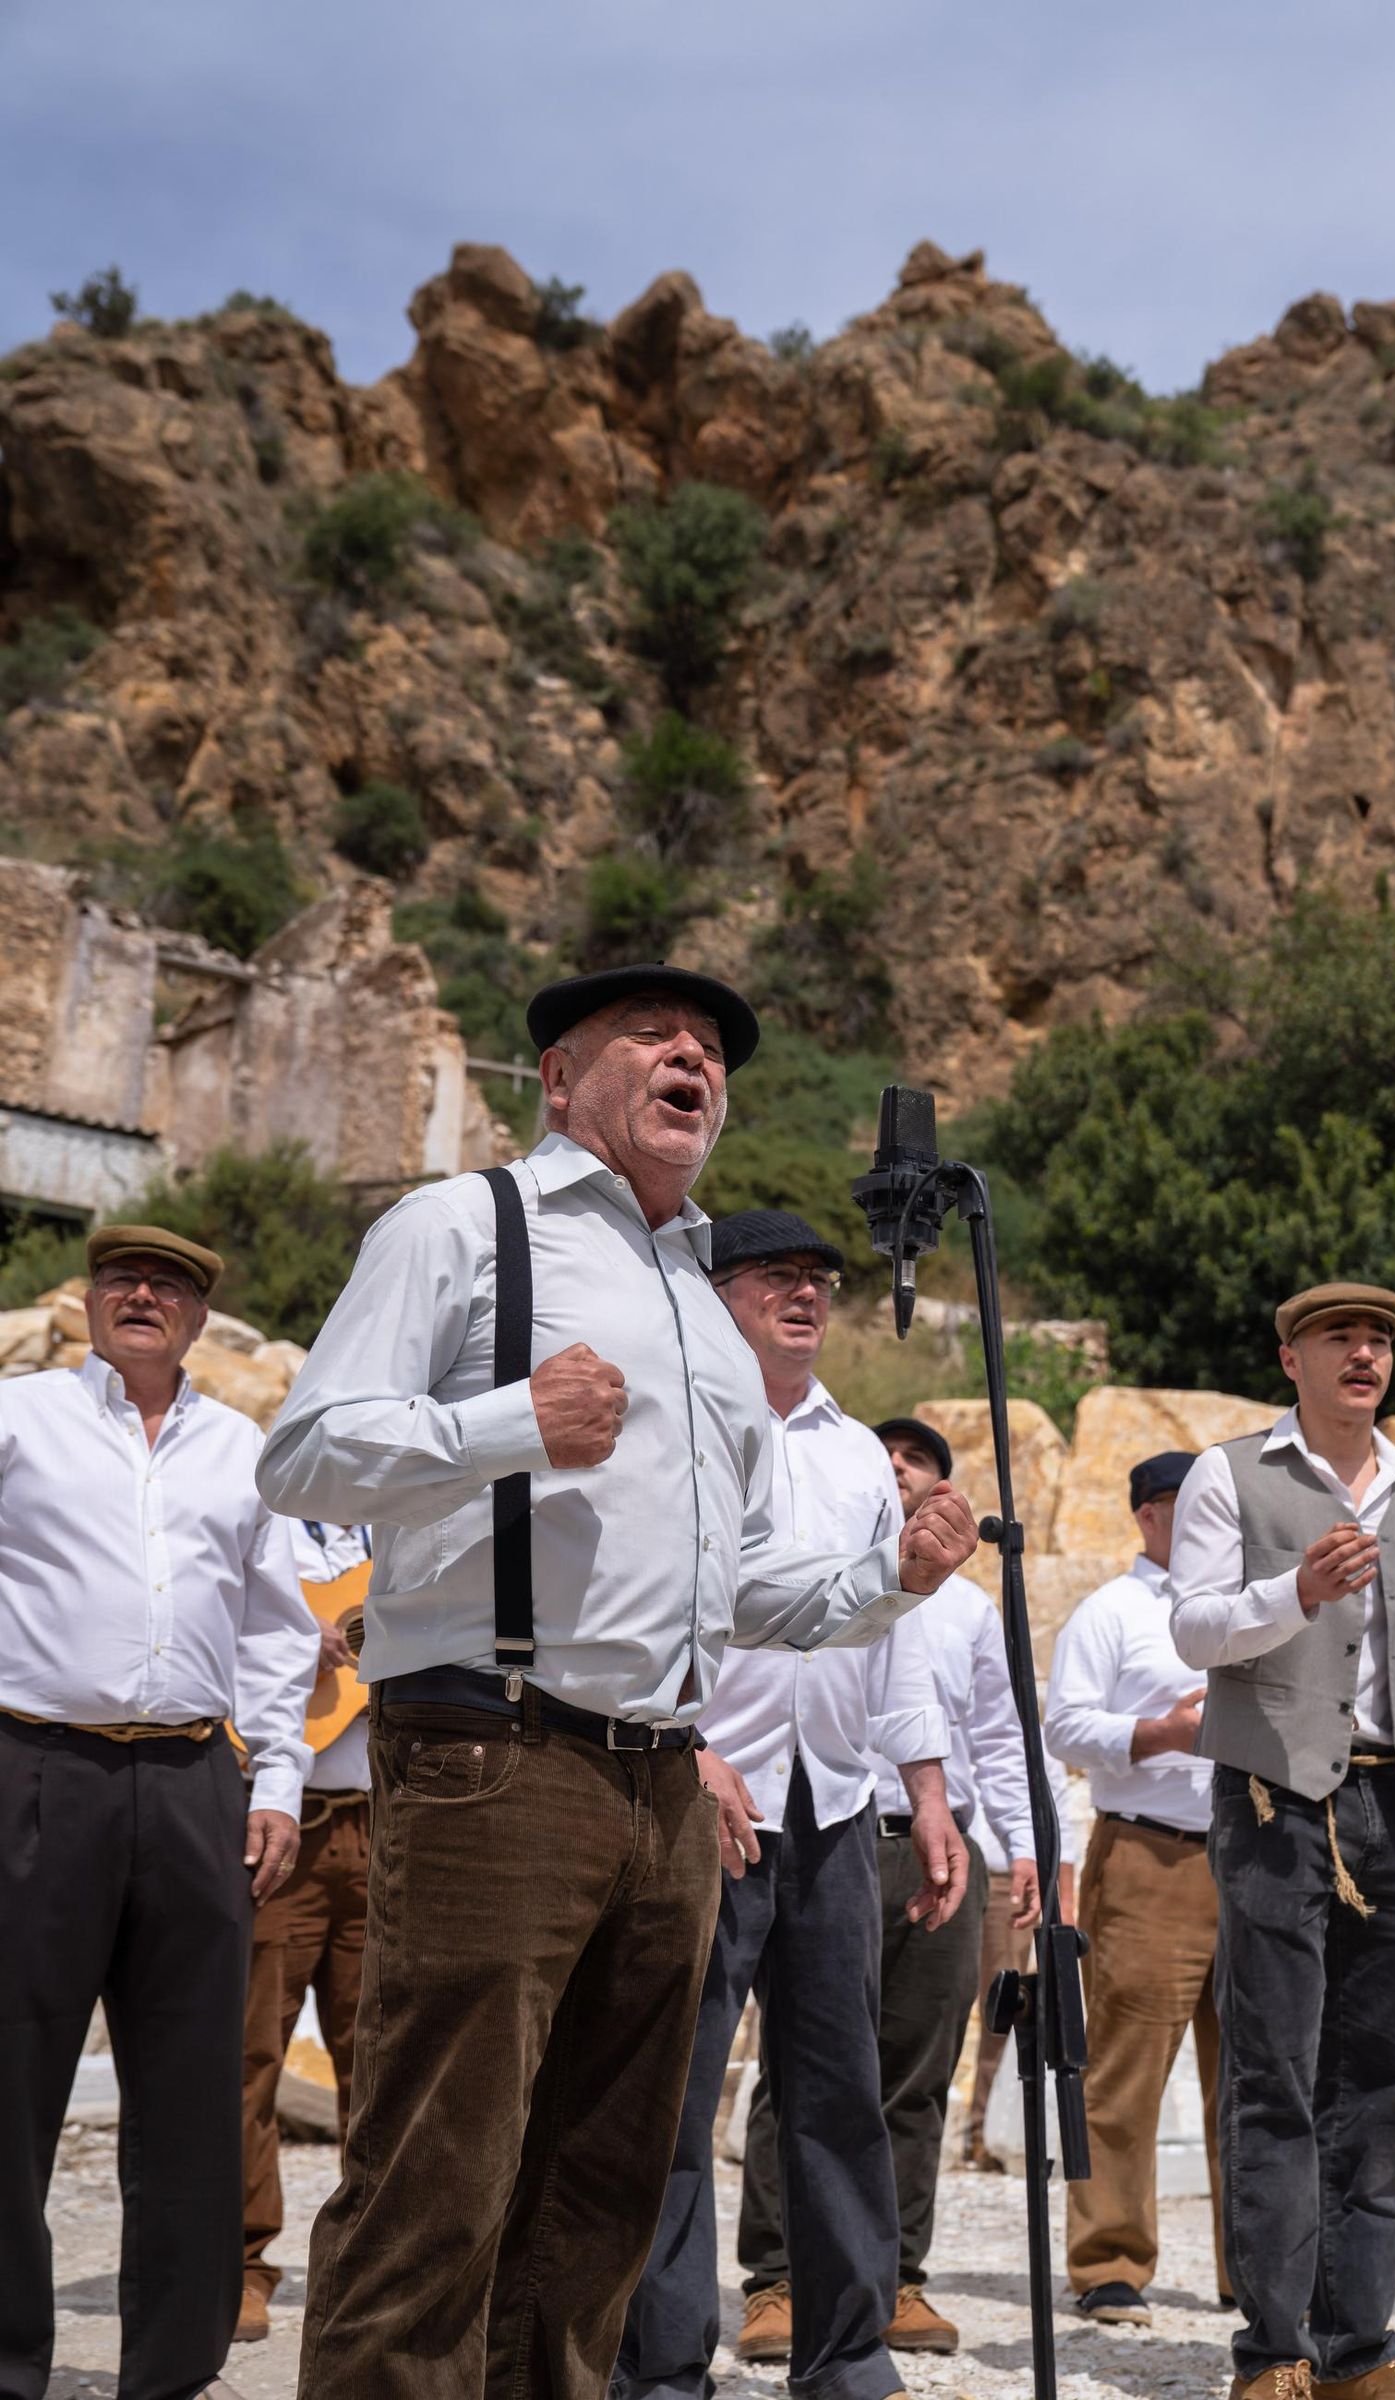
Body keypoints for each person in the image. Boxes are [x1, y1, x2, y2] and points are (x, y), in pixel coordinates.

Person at [257, 968, 979, 2400]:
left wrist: (892, 1575)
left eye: (710, 1048)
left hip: (663, 1786)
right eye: (654, 1038)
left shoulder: (705, 1318)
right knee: (437, 2180)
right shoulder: (463, 1226)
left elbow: (751, 1592)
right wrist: (508, 1421)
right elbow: (306, 1457)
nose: (691, 1057)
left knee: (600, 2196)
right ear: (560, 1081)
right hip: (491, 1754)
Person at [617, 1222, 965, 2400]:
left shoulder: (861, 1451)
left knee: (838, 2096)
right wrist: (690, 1740)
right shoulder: (676, 1427)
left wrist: (925, 1793)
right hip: (702, 1797)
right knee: (672, 2098)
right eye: (780, 1278)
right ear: (720, 1297)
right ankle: (661, 2369)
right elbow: (631, 1606)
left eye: (821, 1282)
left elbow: (892, 1630)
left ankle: (847, 2358)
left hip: (831, 1805)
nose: (807, 1295)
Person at [1169, 1281, 1395, 2400]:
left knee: (1377, 2080)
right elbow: (1192, 1628)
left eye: (1376, 1340)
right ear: (1290, 1359)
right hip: (1274, 1805)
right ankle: (1272, 2350)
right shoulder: (1227, 1474)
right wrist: (1295, 1591)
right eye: (1338, 1338)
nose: (1363, 1354)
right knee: (1273, 2077)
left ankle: (1354, 2345)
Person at [0, 1223, 316, 2400]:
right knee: (12, 2076)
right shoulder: (17, 1418)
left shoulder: (245, 1451)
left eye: (171, 1284)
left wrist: (277, 1779)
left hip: (194, 1785)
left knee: (193, 2090)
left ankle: (171, 2373)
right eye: (125, 1278)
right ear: (89, 1300)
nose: (144, 1294)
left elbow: (279, 1629)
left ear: (194, 1317)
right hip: (32, 1767)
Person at [734, 1413, 1043, 2361]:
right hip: (819, 1833)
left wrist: (1025, 1846)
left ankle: (896, 2278)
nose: (901, 1471)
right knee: (801, 2070)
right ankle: (778, 2281)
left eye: (918, 1462)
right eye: (890, 1457)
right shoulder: (796, 1576)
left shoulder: (969, 1612)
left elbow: (997, 1732)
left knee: (915, 2073)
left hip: (930, 1844)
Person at [1045, 1448, 1225, 2329]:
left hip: (1255, 1852)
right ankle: (1109, 2260)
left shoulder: (1242, 1609)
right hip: (1150, 1858)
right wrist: (1163, 1733)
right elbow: (1066, 1726)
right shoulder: (1112, 1612)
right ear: (1146, 1515)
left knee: (1260, 2073)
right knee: (1124, 2071)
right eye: (1179, 1504)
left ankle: (1256, 2266)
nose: (1195, 1518)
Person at [238, 1516, 375, 2344]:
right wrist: (296, 1642)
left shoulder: (398, 1531)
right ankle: (243, 2268)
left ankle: (369, 2269)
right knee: (247, 2055)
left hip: (386, 1821)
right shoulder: (260, 1534)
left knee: (387, 2062)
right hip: (282, 1826)